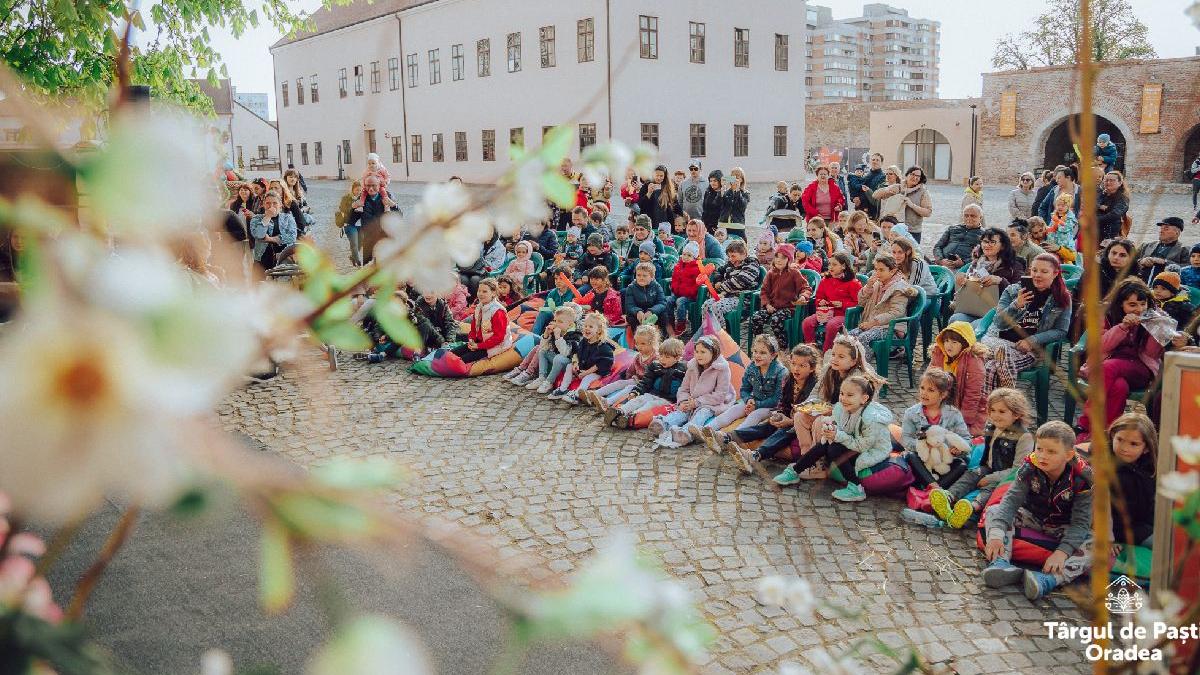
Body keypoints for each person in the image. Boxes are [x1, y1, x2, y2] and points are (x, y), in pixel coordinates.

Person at [981, 421, 1094, 600]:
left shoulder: (1083, 479)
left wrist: (1062, 552)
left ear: (1068, 454)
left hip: (1062, 526)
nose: (1042, 456)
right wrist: (995, 535)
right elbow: (1010, 501)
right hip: (1032, 516)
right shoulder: (1030, 465)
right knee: (994, 510)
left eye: (1051, 452)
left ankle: (1048, 580)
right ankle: (1001, 563)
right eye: (1039, 449)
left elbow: (1081, 524)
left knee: (1096, 544)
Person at [922, 388, 1034, 529]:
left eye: (1002, 412)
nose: (995, 415)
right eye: (992, 410)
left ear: (1016, 414)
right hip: (988, 467)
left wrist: (991, 478)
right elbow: (986, 454)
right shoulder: (992, 426)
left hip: (1007, 478)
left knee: (990, 489)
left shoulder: (1024, 437)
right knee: (971, 474)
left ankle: (971, 507)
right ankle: (948, 497)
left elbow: (1018, 470)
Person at [774, 375, 892, 503]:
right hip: (852, 442)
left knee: (834, 448)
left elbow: (863, 446)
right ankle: (796, 470)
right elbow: (837, 425)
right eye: (842, 393)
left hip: (871, 450)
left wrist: (837, 436)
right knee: (826, 444)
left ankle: (856, 487)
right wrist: (829, 428)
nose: (844, 398)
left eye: (850, 395)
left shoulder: (871, 419)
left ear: (864, 399)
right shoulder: (841, 408)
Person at [712, 344, 821, 475]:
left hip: (803, 425)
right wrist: (779, 415)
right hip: (788, 418)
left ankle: (756, 455)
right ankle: (728, 437)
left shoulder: (816, 386)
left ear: (812, 368)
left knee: (785, 431)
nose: (796, 369)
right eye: (793, 363)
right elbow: (782, 403)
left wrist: (790, 422)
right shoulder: (788, 379)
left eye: (802, 366)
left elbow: (811, 413)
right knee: (767, 426)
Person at [1075, 278, 1164, 438]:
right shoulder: (1108, 316)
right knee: (1119, 387)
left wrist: (1154, 329)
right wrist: (1122, 327)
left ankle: (1085, 422)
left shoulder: (1155, 317)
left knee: (1108, 367)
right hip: (1109, 365)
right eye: (1132, 305)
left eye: (1143, 304)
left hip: (1140, 367)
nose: (1139, 309)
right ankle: (1106, 433)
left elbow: (1151, 354)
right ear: (1120, 304)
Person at [981, 254, 1072, 392]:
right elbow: (998, 322)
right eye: (1034, 270)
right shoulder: (1013, 290)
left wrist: (1032, 340)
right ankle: (1010, 405)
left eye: (1044, 271)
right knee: (1002, 349)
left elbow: (1061, 331)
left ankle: (992, 409)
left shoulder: (1061, 298)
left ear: (1055, 273)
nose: (1037, 275)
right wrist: (1016, 305)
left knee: (991, 367)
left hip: (1027, 350)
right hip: (996, 340)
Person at [648, 335, 736, 447]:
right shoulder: (692, 366)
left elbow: (720, 395)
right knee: (683, 410)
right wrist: (683, 401)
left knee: (702, 413)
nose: (699, 355)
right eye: (697, 351)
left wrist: (697, 402)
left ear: (713, 353)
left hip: (713, 402)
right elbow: (684, 388)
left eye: (703, 352)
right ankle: (664, 423)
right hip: (692, 399)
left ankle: (687, 432)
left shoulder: (722, 368)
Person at [900, 368, 972, 489]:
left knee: (962, 465)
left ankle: (935, 489)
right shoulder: (912, 413)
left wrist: (957, 450)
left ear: (943, 394)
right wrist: (923, 446)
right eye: (922, 388)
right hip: (923, 461)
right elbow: (906, 438)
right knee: (910, 456)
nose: (924, 393)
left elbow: (966, 439)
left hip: (945, 460)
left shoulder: (953, 414)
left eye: (931, 390)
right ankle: (935, 487)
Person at [701, 334, 787, 435]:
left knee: (755, 415)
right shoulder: (751, 367)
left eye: (763, 353)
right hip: (753, 401)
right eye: (755, 351)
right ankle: (706, 430)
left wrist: (756, 405)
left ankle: (732, 436)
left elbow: (777, 399)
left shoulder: (781, 372)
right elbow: (744, 389)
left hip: (771, 407)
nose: (757, 355)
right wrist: (748, 400)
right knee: (733, 410)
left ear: (773, 355)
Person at [947, 227, 1026, 325]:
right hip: (973, 308)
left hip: (998, 312)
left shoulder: (1014, 265)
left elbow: (1018, 291)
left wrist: (1000, 281)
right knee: (955, 319)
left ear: (1002, 246)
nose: (987, 245)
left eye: (992, 242)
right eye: (984, 241)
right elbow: (964, 289)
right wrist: (961, 280)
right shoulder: (976, 263)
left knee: (976, 326)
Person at [606, 338, 688, 428]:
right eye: (661, 356)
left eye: (667, 357)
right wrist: (635, 392)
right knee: (639, 399)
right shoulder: (655, 366)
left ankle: (630, 417)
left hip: (667, 400)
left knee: (650, 405)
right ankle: (619, 411)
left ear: (677, 358)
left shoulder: (682, 370)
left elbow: (686, 388)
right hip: (652, 394)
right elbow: (646, 382)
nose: (662, 359)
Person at [847, 252, 917, 351]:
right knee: (847, 338)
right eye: (876, 269)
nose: (877, 273)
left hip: (891, 330)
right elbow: (861, 302)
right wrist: (868, 286)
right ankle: (850, 364)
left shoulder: (899, 288)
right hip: (872, 326)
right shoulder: (877, 284)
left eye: (881, 270)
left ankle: (863, 365)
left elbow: (896, 312)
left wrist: (873, 323)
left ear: (892, 271)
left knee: (863, 338)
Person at [930, 321, 989, 436]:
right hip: (944, 403)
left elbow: (972, 395)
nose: (948, 345)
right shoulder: (939, 354)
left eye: (954, 342)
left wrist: (963, 421)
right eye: (946, 341)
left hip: (965, 408)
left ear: (965, 343)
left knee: (958, 437)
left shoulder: (974, 361)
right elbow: (929, 381)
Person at [583, 324, 660, 412]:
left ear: (652, 343)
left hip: (646, 386)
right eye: (637, 343)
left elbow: (656, 377)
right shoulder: (638, 356)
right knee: (620, 383)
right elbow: (631, 370)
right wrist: (630, 376)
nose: (639, 347)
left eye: (643, 344)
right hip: (636, 380)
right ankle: (594, 394)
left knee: (629, 388)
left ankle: (607, 402)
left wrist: (640, 381)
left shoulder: (656, 358)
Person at [1108, 413, 1157, 548]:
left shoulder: (1151, 468)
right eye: (1120, 439)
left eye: (1134, 444)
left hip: (1147, 524)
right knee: (1165, 547)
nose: (1124, 448)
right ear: (1112, 435)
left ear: (1146, 448)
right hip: (1121, 531)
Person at [749, 244, 810, 349]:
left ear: (789, 259)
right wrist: (767, 304)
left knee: (775, 320)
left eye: (783, 257)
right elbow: (763, 291)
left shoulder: (794, 273)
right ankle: (761, 343)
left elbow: (805, 288)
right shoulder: (770, 273)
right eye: (777, 256)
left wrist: (803, 296)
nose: (779, 260)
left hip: (788, 308)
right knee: (756, 317)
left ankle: (782, 347)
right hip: (772, 307)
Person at [801, 252, 861, 351]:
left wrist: (842, 304)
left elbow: (858, 304)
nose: (830, 267)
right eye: (829, 264)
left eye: (834, 264)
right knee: (807, 322)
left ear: (843, 266)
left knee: (832, 325)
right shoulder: (825, 281)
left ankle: (827, 351)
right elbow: (818, 298)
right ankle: (811, 349)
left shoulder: (853, 283)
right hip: (826, 312)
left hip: (844, 315)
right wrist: (821, 302)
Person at [552, 312, 616, 403]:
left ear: (598, 330)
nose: (587, 329)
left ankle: (577, 395)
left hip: (596, 371)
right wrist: (575, 363)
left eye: (590, 327)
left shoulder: (603, 347)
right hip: (585, 366)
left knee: (587, 378)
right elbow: (577, 353)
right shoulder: (584, 341)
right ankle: (563, 389)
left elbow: (599, 365)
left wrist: (586, 373)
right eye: (585, 326)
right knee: (569, 366)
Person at [702, 240, 762, 330]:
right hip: (728, 296)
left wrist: (721, 286)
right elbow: (718, 271)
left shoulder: (751, 264)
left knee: (716, 307)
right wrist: (718, 280)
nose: (730, 259)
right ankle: (708, 332)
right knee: (706, 305)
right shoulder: (731, 263)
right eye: (729, 256)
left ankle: (722, 334)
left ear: (744, 254)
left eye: (733, 256)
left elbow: (740, 281)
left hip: (743, 299)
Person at [451, 278, 511, 364]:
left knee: (461, 361)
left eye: (485, 291)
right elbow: (473, 329)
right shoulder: (479, 307)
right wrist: (471, 339)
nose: (480, 294)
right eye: (479, 291)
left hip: (494, 346)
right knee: (452, 354)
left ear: (493, 293)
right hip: (480, 342)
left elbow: (499, 338)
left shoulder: (498, 311)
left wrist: (479, 346)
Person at [347, 176, 400, 265]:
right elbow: (351, 220)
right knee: (368, 268)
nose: (370, 188)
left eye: (373, 185)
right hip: (368, 238)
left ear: (379, 185)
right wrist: (353, 207)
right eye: (368, 185)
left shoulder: (387, 196)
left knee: (387, 265)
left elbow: (398, 216)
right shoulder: (361, 198)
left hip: (384, 236)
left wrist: (393, 205)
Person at [874, 166, 933, 242]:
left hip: (912, 231)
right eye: (912, 174)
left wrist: (912, 205)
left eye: (918, 176)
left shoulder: (923, 192)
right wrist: (887, 191)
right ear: (907, 175)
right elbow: (875, 195)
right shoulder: (898, 187)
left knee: (912, 253)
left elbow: (928, 212)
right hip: (894, 229)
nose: (915, 177)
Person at [248, 191, 297, 269]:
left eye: (275, 203)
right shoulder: (256, 219)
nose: (271, 206)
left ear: (280, 205)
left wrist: (271, 239)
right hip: (262, 259)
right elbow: (259, 235)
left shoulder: (288, 218)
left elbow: (292, 237)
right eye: (268, 203)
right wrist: (267, 217)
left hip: (283, 260)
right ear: (263, 205)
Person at [1133, 217, 1189, 283]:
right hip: (1140, 282)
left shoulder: (1184, 250)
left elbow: (1189, 269)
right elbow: (1130, 261)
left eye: (1166, 229)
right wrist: (1141, 261)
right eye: (1161, 228)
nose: (1161, 231)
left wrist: (1165, 262)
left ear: (1177, 232)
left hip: (1166, 285)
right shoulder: (1146, 246)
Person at [932, 204, 984, 270]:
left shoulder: (984, 235)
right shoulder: (952, 229)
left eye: (973, 216)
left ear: (980, 217)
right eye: (966, 216)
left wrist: (963, 263)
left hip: (965, 267)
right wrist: (940, 260)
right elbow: (937, 247)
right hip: (942, 263)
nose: (969, 218)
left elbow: (983, 255)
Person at [637, 165, 684, 233]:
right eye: (657, 175)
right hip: (650, 224)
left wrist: (682, 215)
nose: (659, 178)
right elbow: (641, 205)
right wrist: (649, 193)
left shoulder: (668, 187)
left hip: (666, 223)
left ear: (665, 176)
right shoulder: (646, 186)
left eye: (661, 176)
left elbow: (675, 205)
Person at [623, 262, 669, 331]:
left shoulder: (657, 286)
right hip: (638, 314)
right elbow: (629, 305)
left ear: (652, 277)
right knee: (631, 319)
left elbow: (662, 303)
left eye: (644, 276)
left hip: (653, 313)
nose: (641, 278)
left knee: (664, 316)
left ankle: (662, 337)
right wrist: (638, 311)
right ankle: (637, 337)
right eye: (638, 275)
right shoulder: (631, 287)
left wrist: (652, 311)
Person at [669, 242, 702, 336]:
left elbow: (697, 285)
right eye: (684, 254)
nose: (685, 257)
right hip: (677, 293)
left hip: (690, 296)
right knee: (668, 301)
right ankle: (670, 323)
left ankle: (681, 324)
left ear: (694, 257)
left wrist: (688, 292)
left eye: (689, 255)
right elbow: (674, 280)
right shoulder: (678, 266)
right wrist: (674, 288)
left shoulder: (697, 269)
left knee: (680, 301)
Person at [1096, 170, 1131, 242]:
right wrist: (1099, 206)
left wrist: (1095, 220)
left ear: (1120, 183)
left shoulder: (1123, 198)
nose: (1108, 182)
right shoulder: (1101, 194)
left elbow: (1114, 214)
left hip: (1110, 234)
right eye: (1106, 180)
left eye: (1112, 180)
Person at [720, 169, 751, 240]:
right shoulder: (726, 192)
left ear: (742, 180)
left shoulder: (745, 193)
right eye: (733, 177)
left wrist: (737, 191)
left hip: (738, 226)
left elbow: (742, 206)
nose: (735, 179)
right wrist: (722, 189)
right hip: (724, 225)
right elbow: (719, 205)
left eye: (737, 177)